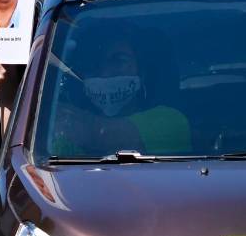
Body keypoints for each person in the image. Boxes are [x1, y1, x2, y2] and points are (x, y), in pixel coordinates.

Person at [49, 26, 190, 155]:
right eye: (94, 64)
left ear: (142, 72)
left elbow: (99, 135)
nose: (104, 73)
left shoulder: (170, 120)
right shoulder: (65, 136)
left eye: (119, 60)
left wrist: (57, 115)